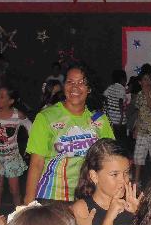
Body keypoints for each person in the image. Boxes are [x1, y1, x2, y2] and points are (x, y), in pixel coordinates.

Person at [24, 65, 115, 203]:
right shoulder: (46, 117)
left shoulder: (99, 119)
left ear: (89, 89)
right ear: (64, 86)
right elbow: (36, 163)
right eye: (70, 82)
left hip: (88, 195)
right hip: (52, 196)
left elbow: (110, 160)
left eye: (81, 82)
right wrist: (28, 201)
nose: (74, 87)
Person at [0, 87, 32, 216]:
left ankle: (19, 216)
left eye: (2, 96)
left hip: (12, 158)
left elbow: (30, 128)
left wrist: (30, 147)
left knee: (14, 190)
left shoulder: (17, 115)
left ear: (11, 101)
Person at [103, 69, 129, 145]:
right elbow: (120, 102)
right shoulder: (121, 88)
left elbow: (104, 99)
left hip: (111, 119)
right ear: (123, 79)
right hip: (119, 120)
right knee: (121, 142)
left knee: (113, 141)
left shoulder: (110, 87)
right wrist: (121, 119)